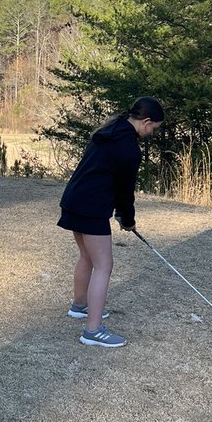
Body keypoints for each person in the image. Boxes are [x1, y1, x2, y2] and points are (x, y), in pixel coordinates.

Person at [57, 97, 164, 347]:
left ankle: (79, 306)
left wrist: (121, 214)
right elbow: (125, 191)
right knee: (104, 265)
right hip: (90, 206)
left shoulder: (110, 130)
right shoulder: (129, 148)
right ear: (146, 121)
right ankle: (93, 331)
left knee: (87, 257)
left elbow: (108, 178)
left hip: (74, 199)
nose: (152, 133)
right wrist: (128, 219)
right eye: (153, 128)